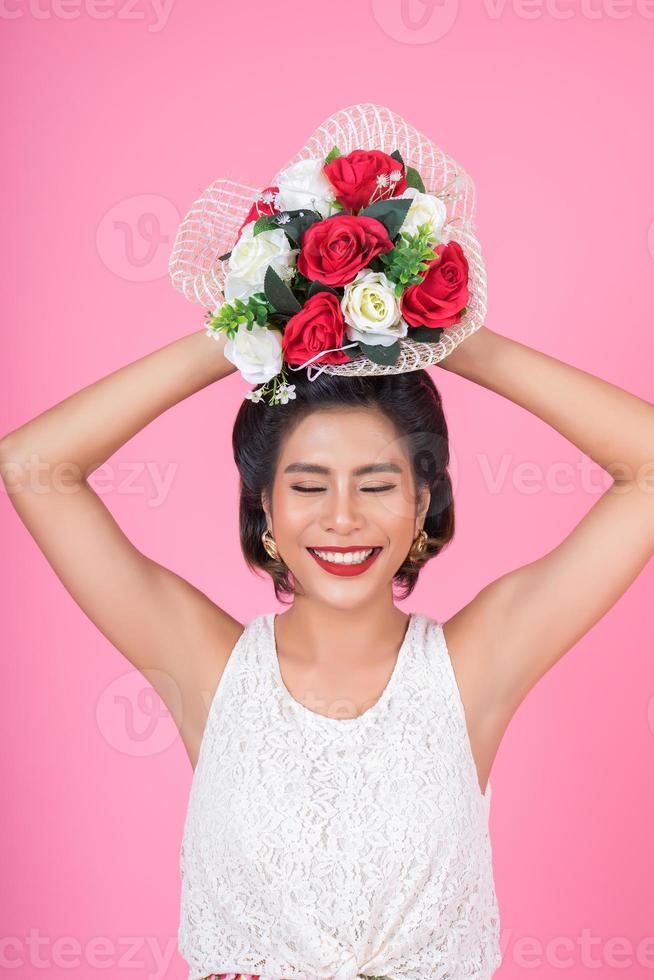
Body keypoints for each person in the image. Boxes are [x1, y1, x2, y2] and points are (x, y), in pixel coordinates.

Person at [1, 322, 652, 980]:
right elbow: (32, 465)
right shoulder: (208, 669)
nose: (343, 518)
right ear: (267, 510)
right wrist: (248, 334)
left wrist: (445, 340)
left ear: (421, 503)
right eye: (309, 488)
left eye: (375, 486)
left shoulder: (475, 669)